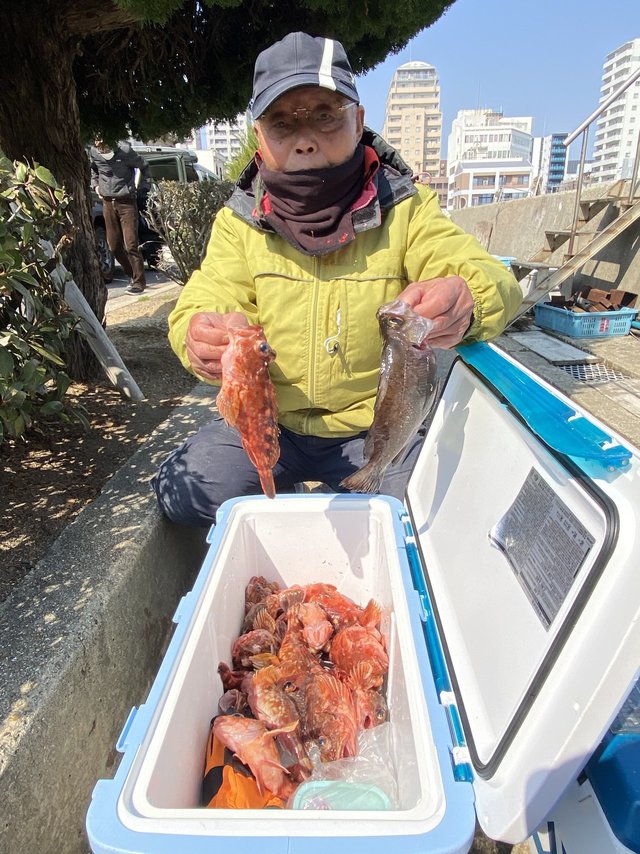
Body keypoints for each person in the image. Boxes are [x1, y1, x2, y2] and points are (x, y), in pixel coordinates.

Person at [152, 31, 523, 527]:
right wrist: (197, 333)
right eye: (282, 123)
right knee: (184, 493)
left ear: (359, 120)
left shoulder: (407, 209)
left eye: (325, 115)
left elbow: (489, 276)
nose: (305, 139)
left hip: (371, 428)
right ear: (259, 137)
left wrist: (468, 297)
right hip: (275, 423)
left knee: (424, 515)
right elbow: (208, 295)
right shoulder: (239, 222)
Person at [89, 139, 151, 294]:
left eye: (106, 149)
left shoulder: (126, 151)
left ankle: (139, 282)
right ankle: (132, 275)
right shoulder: (94, 153)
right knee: (114, 246)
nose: (103, 152)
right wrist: (95, 186)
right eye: (100, 149)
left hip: (126, 202)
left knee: (131, 244)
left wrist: (143, 188)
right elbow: (94, 170)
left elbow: (144, 166)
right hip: (107, 202)